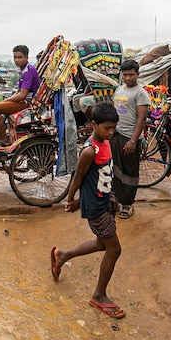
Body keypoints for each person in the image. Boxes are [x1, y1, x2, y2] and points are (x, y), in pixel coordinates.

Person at [50, 103, 125, 319]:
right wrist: (72, 200)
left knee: (102, 244)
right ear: (94, 125)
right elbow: (79, 177)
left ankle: (62, 255)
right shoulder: (89, 150)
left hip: (105, 200)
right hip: (96, 207)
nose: (111, 132)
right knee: (114, 249)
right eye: (107, 128)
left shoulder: (105, 143)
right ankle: (99, 296)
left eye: (113, 128)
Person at [110, 59, 149, 219]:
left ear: (137, 74)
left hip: (130, 137)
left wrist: (133, 140)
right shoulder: (119, 90)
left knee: (130, 171)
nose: (127, 78)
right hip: (117, 135)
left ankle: (128, 204)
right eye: (125, 75)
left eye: (131, 75)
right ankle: (117, 199)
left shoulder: (141, 93)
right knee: (116, 169)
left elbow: (141, 119)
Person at [0, 45, 41, 146]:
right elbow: (18, 91)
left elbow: (22, 95)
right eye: (15, 57)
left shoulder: (29, 71)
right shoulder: (22, 70)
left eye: (19, 57)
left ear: (26, 57)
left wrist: (5, 101)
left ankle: (4, 138)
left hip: (28, 104)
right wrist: (8, 100)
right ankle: (1, 136)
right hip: (23, 101)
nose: (16, 60)